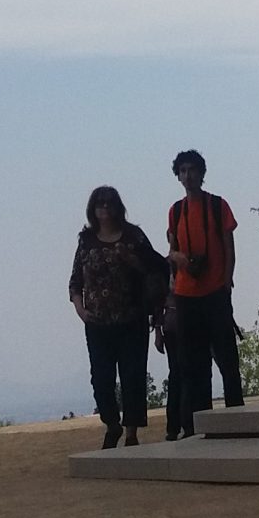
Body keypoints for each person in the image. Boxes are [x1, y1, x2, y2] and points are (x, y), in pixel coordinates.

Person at [69, 186, 167, 449]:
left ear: (117, 207)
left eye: (109, 204)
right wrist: (80, 309)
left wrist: (131, 260)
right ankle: (112, 424)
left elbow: (157, 270)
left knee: (133, 376)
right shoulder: (86, 240)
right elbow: (76, 280)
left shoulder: (134, 236)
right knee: (101, 378)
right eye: (99, 204)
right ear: (93, 209)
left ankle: (131, 431)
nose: (104, 209)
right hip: (98, 322)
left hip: (131, 319)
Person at [164, 149, 244, 438]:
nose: (188, 176)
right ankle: (199, 423)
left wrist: (226, 280)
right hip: (187, 294)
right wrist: (180, 258)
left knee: (226, 358)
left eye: (192, 170)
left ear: (202, 173)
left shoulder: (217, 206)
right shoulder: (176, 211)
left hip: (215, 291)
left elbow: (229, 246)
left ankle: (237, 416)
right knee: (193, 363)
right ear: (178, 175)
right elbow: (171, 250)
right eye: (183, 171)